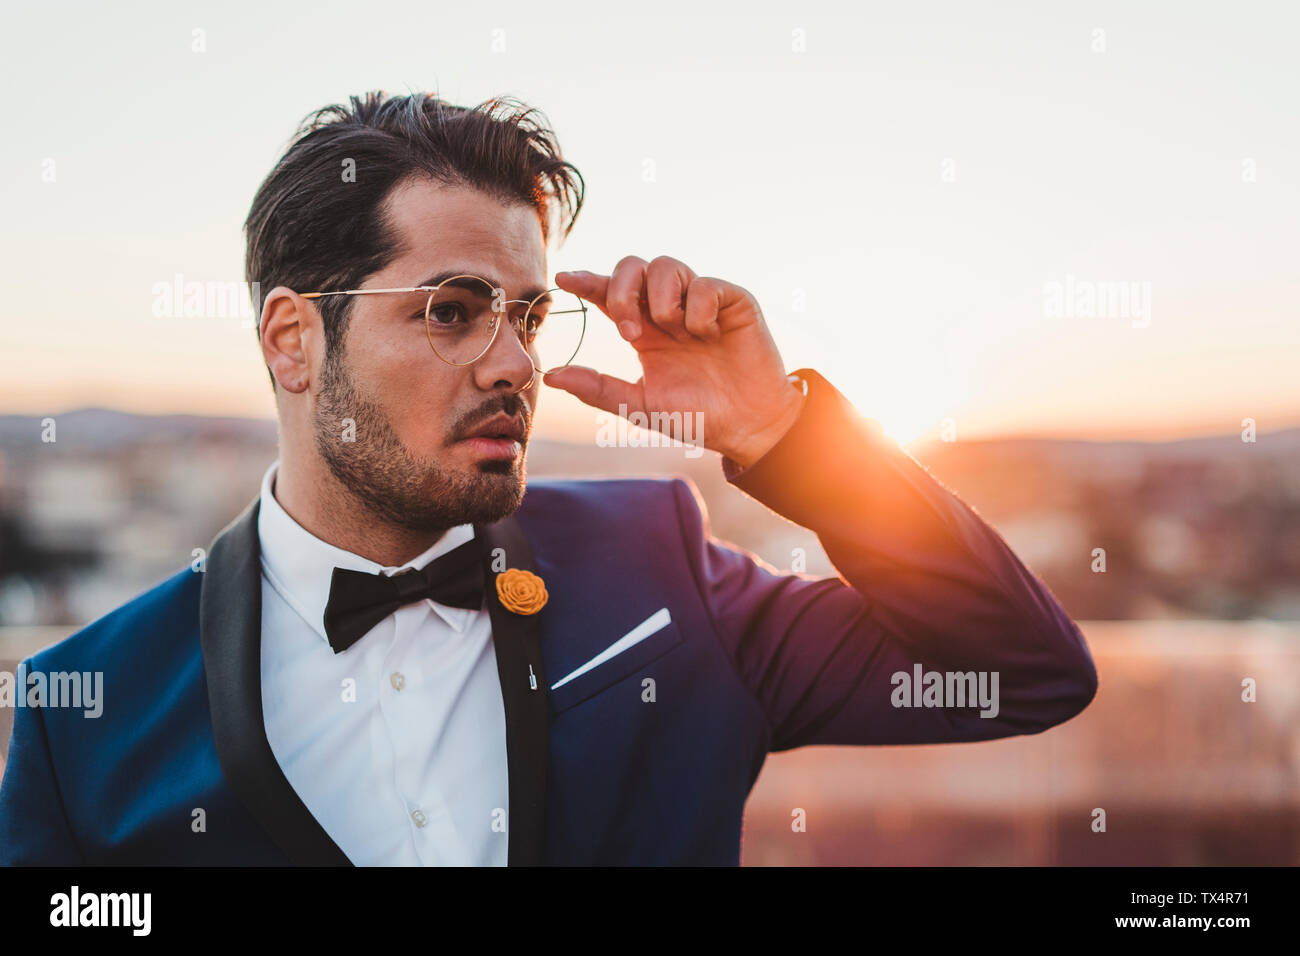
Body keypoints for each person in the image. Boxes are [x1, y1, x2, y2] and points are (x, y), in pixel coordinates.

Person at [0, 91, 1097, 865]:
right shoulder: (83, 713)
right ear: (293, 339)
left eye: (526, 313)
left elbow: (1024, 670)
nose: (516, 361)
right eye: (451, 310)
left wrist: (778, 430)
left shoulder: (660, 575)